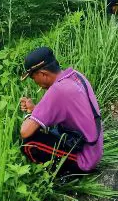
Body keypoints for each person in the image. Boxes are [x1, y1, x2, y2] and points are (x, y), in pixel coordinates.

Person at [19, 47, 103, 175]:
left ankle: (60, 176)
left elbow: (25, 132)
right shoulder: (75, 76)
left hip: (85, 159)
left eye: (33, 77)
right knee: (41, 129)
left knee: (28, 143)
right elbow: (58, 111)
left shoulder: (58, 91)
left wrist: (29, 115)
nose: (34, 82)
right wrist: (35, 110)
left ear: (43, 74)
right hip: (93, 148)